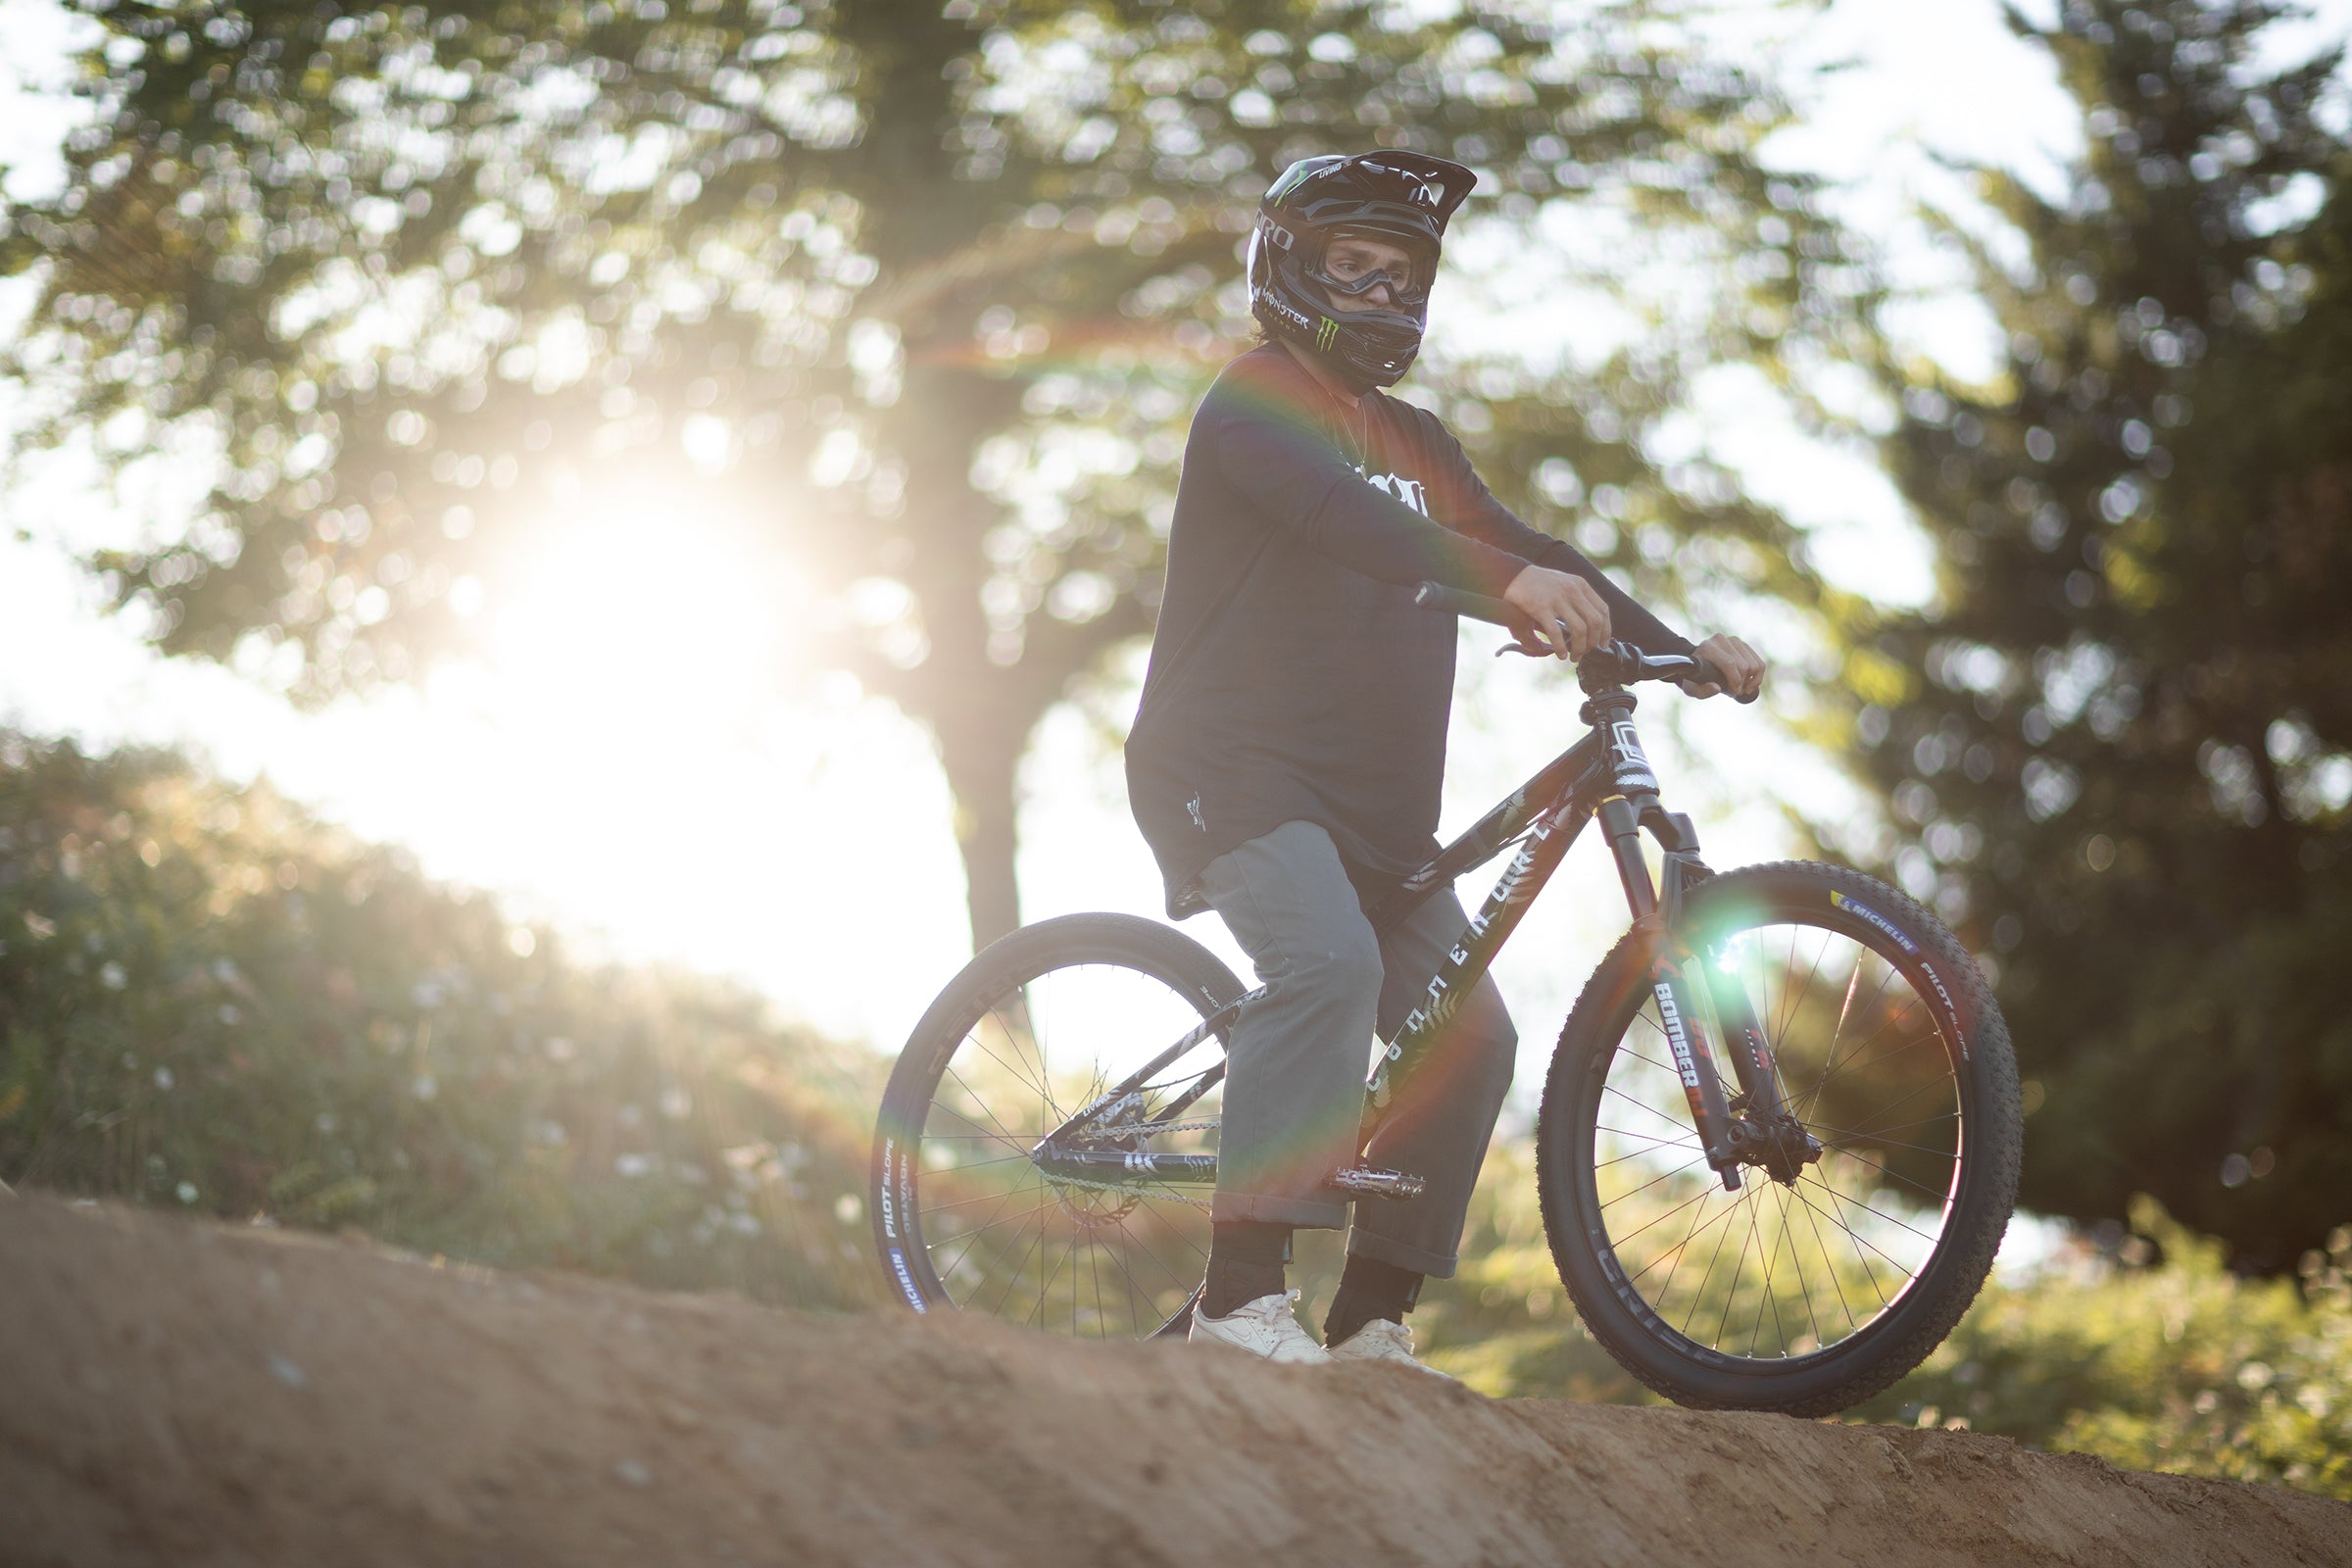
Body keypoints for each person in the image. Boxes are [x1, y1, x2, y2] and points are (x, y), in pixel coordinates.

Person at [1124, 150, 1766, 1370]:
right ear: (1292, 266)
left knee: (1472, 1039)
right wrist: (1502, 583)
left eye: (1400, 271)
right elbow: (1354, 523)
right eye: (1350, 266)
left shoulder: (1417, 437)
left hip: (1377, 809)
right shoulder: (1252, 398)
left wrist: (1681, 651)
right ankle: (1238, 1296)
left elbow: (1520, 542)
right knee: (1328, 963)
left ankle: (1373, 1322)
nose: (1377, 292)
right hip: (1235, 771)